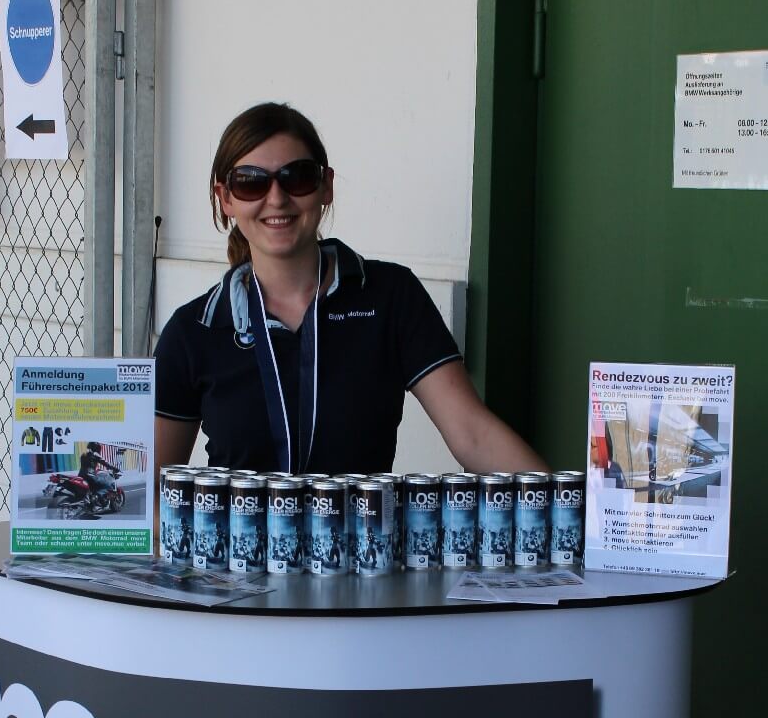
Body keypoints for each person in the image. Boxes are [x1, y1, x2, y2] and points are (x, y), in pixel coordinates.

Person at [154, 102, 544, 478]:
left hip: (365, 528)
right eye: (251, 182)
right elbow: (147, 493)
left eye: (297, 177)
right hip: (239, 530)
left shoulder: (390, 296)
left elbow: (473, 435)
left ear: (326, 186)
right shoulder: (193, 331)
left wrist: (568, 506)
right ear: (225, 199)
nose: (276, 198)